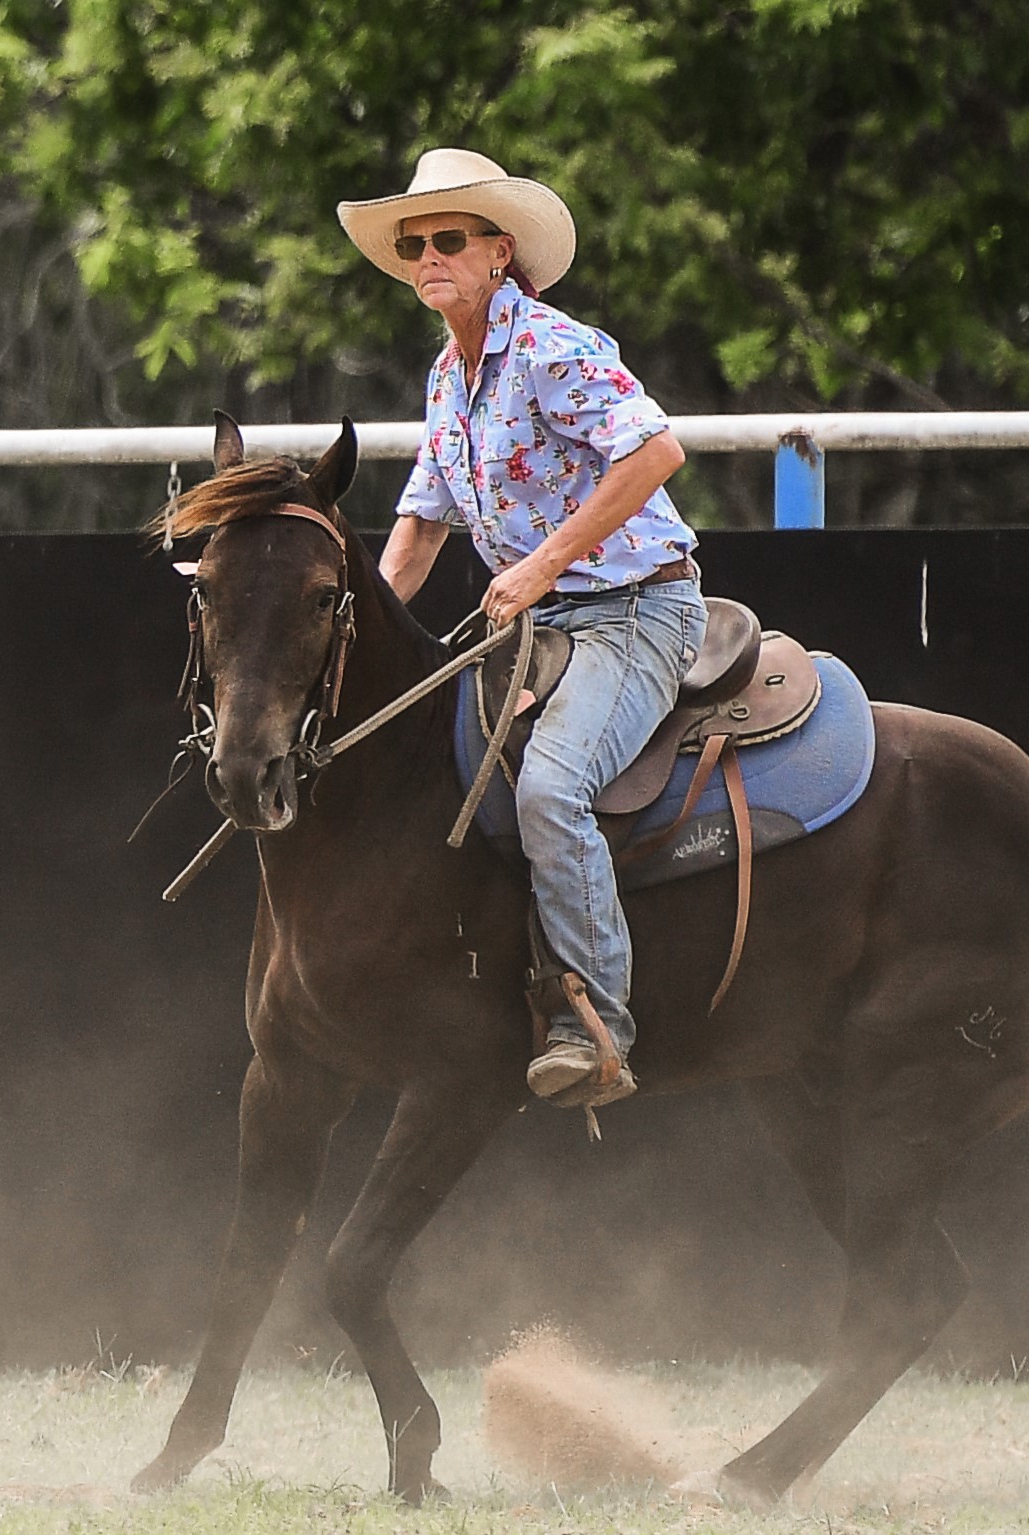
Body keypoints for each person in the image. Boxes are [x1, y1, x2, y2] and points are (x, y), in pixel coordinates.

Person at [338, 148, 708, 1109]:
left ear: (499, 252)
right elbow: (419, 526)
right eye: (413, 244)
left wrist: (542, 563)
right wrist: (358, 633)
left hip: (635, 610)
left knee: (549, 787)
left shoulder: (549, 345)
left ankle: (598, 1027)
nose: (429, 256)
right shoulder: (444, 377)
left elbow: (655, 450)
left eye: (449, 239)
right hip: (540, 625)